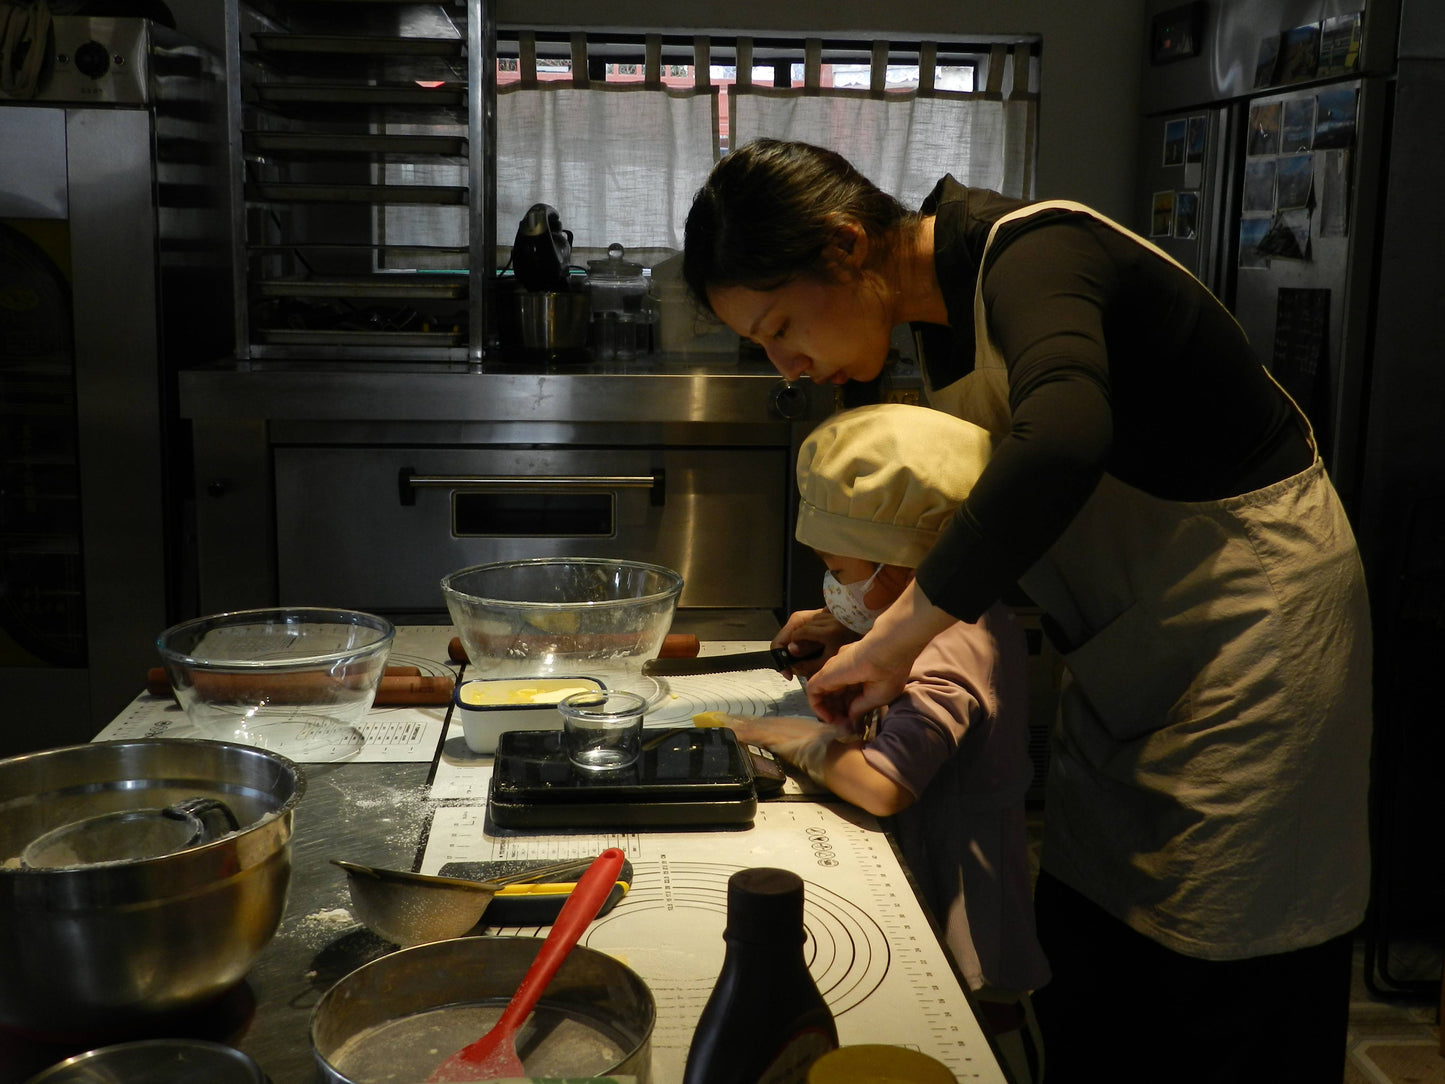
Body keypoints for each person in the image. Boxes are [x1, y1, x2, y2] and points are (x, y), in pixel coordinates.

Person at [682, 138, 1372, 1084]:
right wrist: (862, 620)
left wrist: (895, 637)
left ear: (845, 247)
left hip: (1250, 641)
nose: (785, 364)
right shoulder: (934, 324)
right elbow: (977, 516)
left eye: (777, 325)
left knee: (1221, 963)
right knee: (1098, 945)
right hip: (1131, 647)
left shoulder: (1037, 255)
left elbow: (1062, 442)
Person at [698, 402, 1049, 1018]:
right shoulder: (958, 611)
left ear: (904, 566)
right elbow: (896, 632)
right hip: (933, 869)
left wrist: (787, 735)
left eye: (839, 571)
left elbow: (887, 786)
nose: (830, 586)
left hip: (955, 913)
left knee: (954, 1028)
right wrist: (849, 626)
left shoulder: (950, 643)